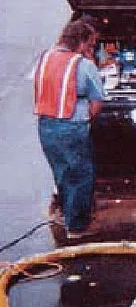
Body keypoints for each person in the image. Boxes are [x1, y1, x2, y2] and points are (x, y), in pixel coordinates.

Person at [34, 19, 104, 239]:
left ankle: (65, 213)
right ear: (81, 41)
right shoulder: (82, 64)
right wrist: (86, 120)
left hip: (46, 124)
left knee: (62, 172)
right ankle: (77, 226)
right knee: (81, 175)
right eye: (90, 45)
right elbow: (96, 101)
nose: (90, 50)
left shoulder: (45, 58)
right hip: (72, 126)